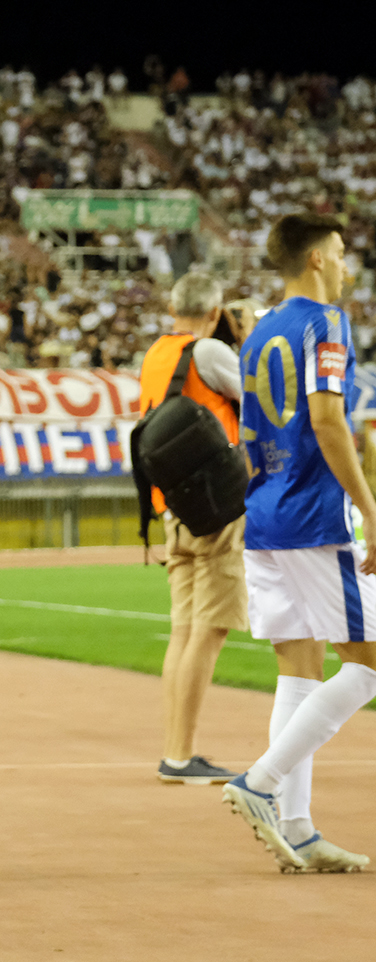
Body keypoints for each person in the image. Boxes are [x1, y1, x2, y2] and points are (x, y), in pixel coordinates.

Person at [221, 213, 373, 875]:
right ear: (316, 258)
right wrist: (370, 505)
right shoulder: (324, 322)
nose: (346, 266)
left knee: (299, 668)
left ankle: (301, 830)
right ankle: (260, 782)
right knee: (367, 663)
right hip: (316, 516)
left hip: (265, 512)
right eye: (340, 254)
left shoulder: (256, 334)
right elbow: (327, 420)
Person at [137, 272, 246, 785]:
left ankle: (176, 751)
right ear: (215, 310)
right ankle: (182, 755)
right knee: (211, 626)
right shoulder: (209, 352)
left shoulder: (157, 352)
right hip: (215, 502)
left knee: (183, 629)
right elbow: (261, 401)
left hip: (172, 503)